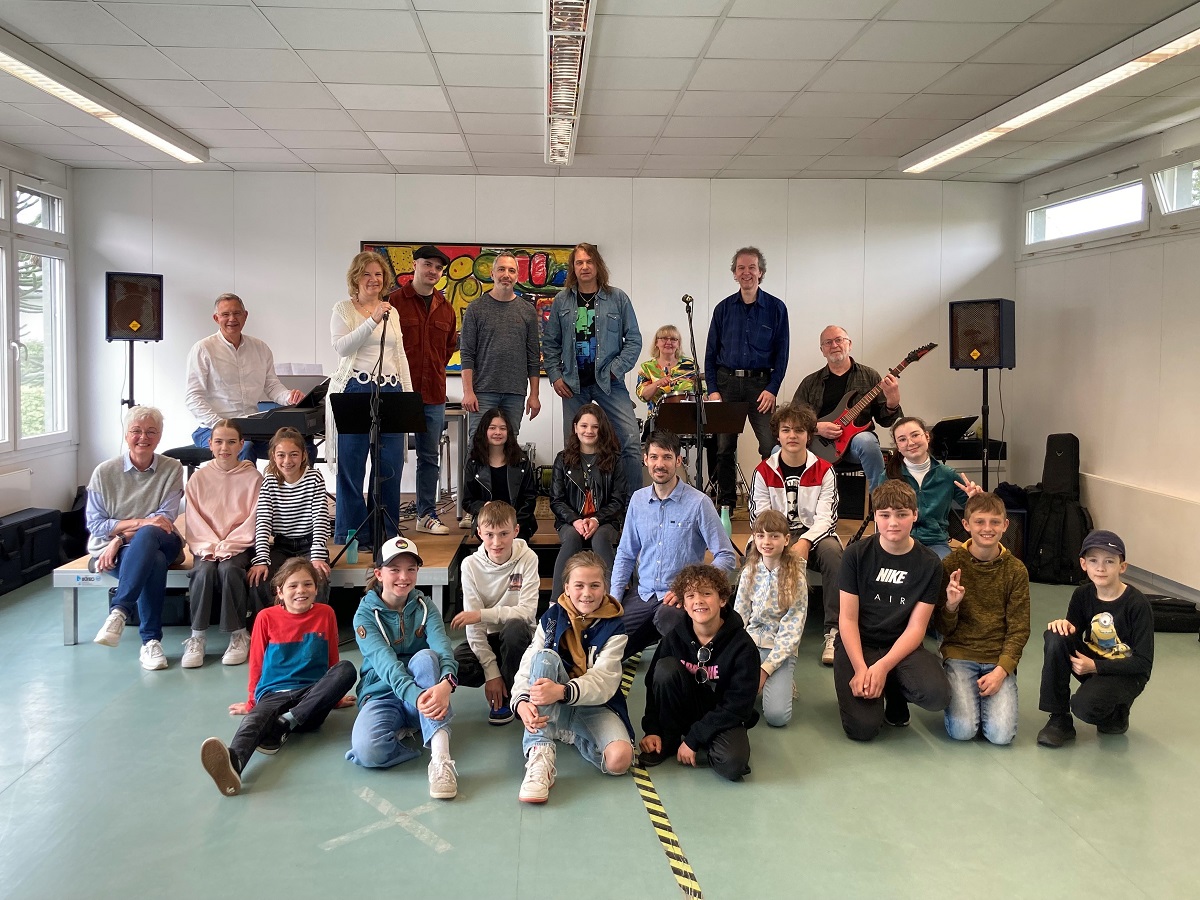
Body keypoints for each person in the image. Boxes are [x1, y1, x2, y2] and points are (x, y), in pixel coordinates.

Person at [199, 558, 357, 796]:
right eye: (293, 586)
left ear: (316, 589)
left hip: (310, 699)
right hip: (273, 693)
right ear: (280, 592)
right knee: (254, 722)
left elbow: (332, 660)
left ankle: (287, 721)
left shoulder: (326, 613)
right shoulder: (266, 617)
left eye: (307, 585)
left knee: (346, 668)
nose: (301, 591)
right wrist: (252, 702)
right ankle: (235, 763)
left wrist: (333, 697)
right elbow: (256, 663)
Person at [512, 551, 633, 803]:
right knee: (544, 657)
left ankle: (571, 732)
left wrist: (563, 692)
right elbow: (528, 664)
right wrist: (522, 701)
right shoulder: (551, 619)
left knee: (619, 761)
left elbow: (605, 680)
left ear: (605, 588)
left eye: (594, 585)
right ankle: (540, 752)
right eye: (579, 585)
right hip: (551, 702)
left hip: (593, 704)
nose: (586, 593)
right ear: (566, 587)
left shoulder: (615, 628)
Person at [833, 480, 950, 741]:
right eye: (884, 515)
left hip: (899, 644)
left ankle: (895, 692)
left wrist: (883, 667)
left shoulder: (930, 563)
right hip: (859, 644)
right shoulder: (855, 555)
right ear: (875, 516)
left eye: (901, 514)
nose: (893, 523)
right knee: (862, 729)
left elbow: (917, 628)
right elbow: (848, 619)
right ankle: (865, 684)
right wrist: (862, 669)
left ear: (915, 515)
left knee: (937, 695)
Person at [346, 537, 459, 800]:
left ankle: (441, 759)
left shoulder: (425, 606)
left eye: (411, 569)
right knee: (368, 751)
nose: (403, 577)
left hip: (423, 688)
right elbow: (385, 664)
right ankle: (412, 727)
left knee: (426, 658)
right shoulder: (363, 616)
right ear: (379, 573)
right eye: (394, 569)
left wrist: (446, 683)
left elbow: (443, 648)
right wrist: (417, 698)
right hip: (383, 692)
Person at [610, 429, 736, 659]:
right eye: (655, 457)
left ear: (679, 461)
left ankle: (675, 653)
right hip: (644, 594)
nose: (660, 464)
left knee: (669, 632)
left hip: (678, 601)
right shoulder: (638, 500)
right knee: (605, 647)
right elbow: (626, 554)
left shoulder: (699, 503)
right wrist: (614, 600)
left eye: (667, 457)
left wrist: (690, 589)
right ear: (645, 459)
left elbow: (726, 556)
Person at [639, 564, 760, 782]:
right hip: (682, 710)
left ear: (722, 599)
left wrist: (695, 738)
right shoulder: (674, 637)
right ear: (683, 604)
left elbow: (738, 706)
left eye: (707, 593)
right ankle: (670, 737)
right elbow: (652, 685)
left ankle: (696, 745)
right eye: (691, 595)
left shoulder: (743, 646)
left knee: (733, 765)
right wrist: (653, 729)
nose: (699, 601)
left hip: (722, 716)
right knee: (665, 669)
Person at [1035, 530, 1154, 749]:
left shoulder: (1137, 604)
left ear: (1122, 566)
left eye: (1109, 561)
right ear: (1083, 564)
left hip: (1127, 672)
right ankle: (1059, 719)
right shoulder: (1082, 595)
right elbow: (1071, 634)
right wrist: (1062, 626)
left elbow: (1143, 662)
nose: (1100, 568)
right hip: (1093, 663)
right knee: (1055, 637)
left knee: (1085, 707)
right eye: (1093, 561)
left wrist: (1095, 667)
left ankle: (1117, 709)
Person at [542, 242, 643, 495]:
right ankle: (577, 503)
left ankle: (633, 506)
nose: (584, 267)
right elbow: (550, 343)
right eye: (579, 262)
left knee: (630, 440)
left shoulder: (617, 298)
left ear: (598, 265)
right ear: (573, 268)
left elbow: (634, 340)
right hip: (573, 386)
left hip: (609, 383)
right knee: (574, 446)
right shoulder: (562, 301)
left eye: (589, 261)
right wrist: (555, 376)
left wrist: (615, 370)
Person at [749, 402, 844, 666]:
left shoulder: (825, 470)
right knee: (754, 552)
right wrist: (779, 541)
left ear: (809, 435)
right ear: (777, 435)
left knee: (834, 554)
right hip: (774, 534)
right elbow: (760, 518)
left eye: (799, 430)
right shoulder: (763, 471)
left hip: (812, 535)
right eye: (786, 429)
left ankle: (833, 633)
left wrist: (805, 540)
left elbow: (828, 517)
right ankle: (759, 627)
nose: (792, 435)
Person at [90, 406, 185, 671]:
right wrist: (139, 524)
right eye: (136, 431)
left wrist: (118, 537)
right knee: (151, 561)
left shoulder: (172, 468)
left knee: (152, 537)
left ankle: (119, 611)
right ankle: (151, 642)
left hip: (163, 541)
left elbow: (164, 520)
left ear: (160, 436)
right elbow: (94, 524)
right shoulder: (104, 472)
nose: (143, 437)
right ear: (126, 434)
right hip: (118, 552)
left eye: (151, 432)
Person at [329, 250, 412, 550]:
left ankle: (386, 533)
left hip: (390, 391)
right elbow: (341, 348)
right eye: (367, 274)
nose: (374, 280)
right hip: (355, 389)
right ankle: (353, 535)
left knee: (389, 465)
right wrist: (371, 321)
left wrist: (407, 394)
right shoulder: (343, 309)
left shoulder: (393, 311)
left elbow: (399, 355)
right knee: (352, 466)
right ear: (356, 278)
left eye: (378, 275)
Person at [935, 492, 1030, 745]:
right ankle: (963, 697)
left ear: (1005, 526)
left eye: (994, 522)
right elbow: (941, 627)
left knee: (1001, 736)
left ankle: (984, 695)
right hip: (960, 655)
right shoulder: (951, 564)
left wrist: (1002, 670)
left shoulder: (1016, 570)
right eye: (979, 522)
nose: (987, 529)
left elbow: (1019, 629)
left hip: (996, 659)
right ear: (966, 525)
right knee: (962, 731)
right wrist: (951, 606)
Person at [704, 247, 790, 511]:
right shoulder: (723, 309)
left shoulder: (776, 308)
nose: (746, 272)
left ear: (760, 272)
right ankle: (727, 503)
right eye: (741, 268)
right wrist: (713, 390)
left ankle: (768, 502)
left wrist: (773, 389)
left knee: (770, 445)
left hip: (760, 386)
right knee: (724, 448)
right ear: (734, 274)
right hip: (726, 384)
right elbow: (710, 354)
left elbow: (782, 354)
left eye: (752, 267)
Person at [185, 293, 304, 462]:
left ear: (245, 315)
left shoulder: (260, 348)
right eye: (225, 314)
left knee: (300, 447)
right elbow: (193, 398)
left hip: (252, 427)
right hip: (211, 428)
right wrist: (222, 426)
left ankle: (292, 489)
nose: (232, 319)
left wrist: (289, 397)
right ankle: (249, 490)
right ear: (216, 318)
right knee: (244, 448)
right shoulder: (203, 349)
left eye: (237, 313)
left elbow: (271, 386)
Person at [448, 501, 538, 726]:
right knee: (452, 664)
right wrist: (491, 673)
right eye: (489, 534)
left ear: (516, 531)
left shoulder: (528, 558)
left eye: (504, 534)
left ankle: (510, 696)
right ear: (479, 533)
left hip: (519, 637)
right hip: (490, 638)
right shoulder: (469, 565)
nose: (496, 542)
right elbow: (474, 629)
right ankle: (502, 680)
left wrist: (481, 614)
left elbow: (527, 613)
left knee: (515, 627)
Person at [389, 244, 458, 536]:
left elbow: (448, 349)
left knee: (429, 456)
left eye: (438, 268)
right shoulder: (392, 302)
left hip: (432, 394)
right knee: (389, 456)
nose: (433, 271)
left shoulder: (446, 308)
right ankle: (388, 519)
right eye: (428, 264)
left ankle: (426, 514)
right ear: (415, 265)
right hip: (397, 393)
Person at [182, 419, 261, 669]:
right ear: (210, 444)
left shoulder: (253, 477)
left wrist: (229, 545)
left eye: (230, 442)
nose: (224, 447)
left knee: (230, 570)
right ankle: (197, 636)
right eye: (218, 441)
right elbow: (193, 519)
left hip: (239, 545)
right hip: (207, 545)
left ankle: (238, 634)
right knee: (203, 572)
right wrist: (210, 547)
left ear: (241, 444)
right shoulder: (198, 478)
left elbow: (254, 518)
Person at [792, 325, 902, 491]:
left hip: (853, 448)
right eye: (828, 342)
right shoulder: (810, 382)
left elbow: (885, 421)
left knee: (867, 441)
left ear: (849, 344)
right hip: (816, 447)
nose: (834, 345)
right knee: (777, 450)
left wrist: (892, 402)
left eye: (838, 340)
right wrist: (816, 428)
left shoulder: (869, 376)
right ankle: (786, 510)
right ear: (822, 350)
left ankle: (881, 504)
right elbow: (793, 418)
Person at [459, 251, 542, 443]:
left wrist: (534, 395)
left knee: (509, 446)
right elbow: (467, 353)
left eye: (511, 270)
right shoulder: (476, 308)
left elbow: (533, 356)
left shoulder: (527, 311)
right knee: (478, 445)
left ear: (517, 275)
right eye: (501, 269)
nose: (506, 274)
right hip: (482, 392)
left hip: (515, 393)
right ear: (492, 273)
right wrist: (468, 391)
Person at [735, 510, 808, 728]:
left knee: (777, 717)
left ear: (786, 540)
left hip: (778, 648)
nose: (766, 542)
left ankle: (783, 680)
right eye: (761, 535)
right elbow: (739, 614)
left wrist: (765, 670)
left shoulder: (796, 578)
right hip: (750, 644)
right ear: (754, 538)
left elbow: (791, 631)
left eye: (774, 536)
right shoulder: (749, 571)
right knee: (727, 699)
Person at [549, 403, 628, 601]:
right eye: (584, 426)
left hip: (606, 521)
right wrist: (576, 520)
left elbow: (618, 501)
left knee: (601, 538)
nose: (589, 431)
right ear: (575, 428)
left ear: (602, 429)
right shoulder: (563, 459)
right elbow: (556, 501)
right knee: (573, 537)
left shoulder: (615, 460)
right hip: (570, 522)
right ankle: (555, 602)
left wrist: (596, 519)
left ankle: (613, 599)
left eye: (595, 426)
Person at [248, 427, 330, 604]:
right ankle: (268, 627)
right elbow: (262, 522)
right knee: (260, 578)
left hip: (308, 544)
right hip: (282, 544)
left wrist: (317, 556)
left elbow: (320, 520)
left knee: (319, 578)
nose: (287, 461)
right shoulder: (269, 481)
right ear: (273, 456)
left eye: (293, 454)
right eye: (281, 455)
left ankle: (315, 628)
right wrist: (261, 559)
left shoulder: (314, 478)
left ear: (303, 455)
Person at [887, 415, 983, 559]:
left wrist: (976, 498)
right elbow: (881, 514)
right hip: (899, 540)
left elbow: (978, 510)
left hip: (936, 542)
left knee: (945, 571)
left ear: (927, 436)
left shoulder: (947, 474)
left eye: (915, 435)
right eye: (902, 439)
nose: (910, 442)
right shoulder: (889, 475)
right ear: (897, 446)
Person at [462, 408, 538, 542]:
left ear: (508, 432)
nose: (498, 432)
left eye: (503, 428)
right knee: (494, 544)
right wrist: (484, 507)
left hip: (518, 524)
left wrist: (513, 523)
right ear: (484, 431)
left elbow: (530, 498)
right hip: (488, 525)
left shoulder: (522, 462)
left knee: (514, 547)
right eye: (492, 428)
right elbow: (468, 501)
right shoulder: (474, 463)